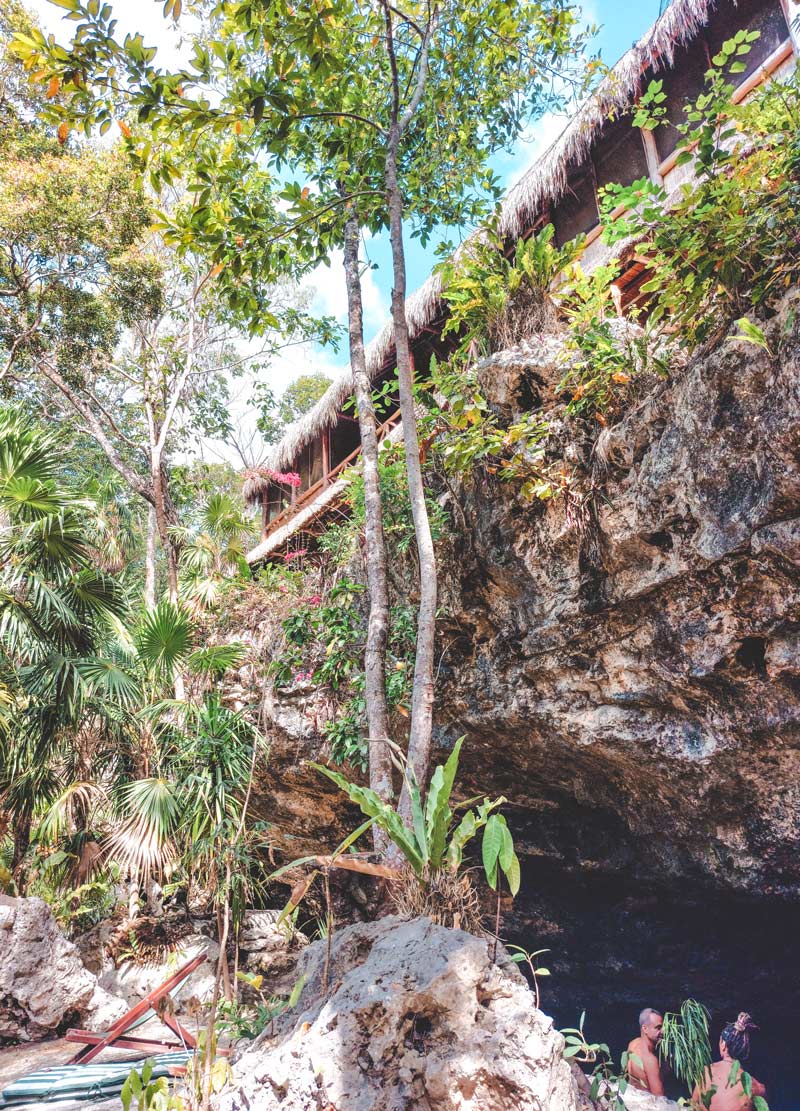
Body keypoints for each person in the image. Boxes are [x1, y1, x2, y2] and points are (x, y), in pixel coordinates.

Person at [692, 1013, 766, 1111]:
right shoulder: (758, 1088)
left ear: (723, 1045)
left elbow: (692, 1106)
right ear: (745, 1051)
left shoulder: (706, 1073)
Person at [627, 1008, 666, 1096]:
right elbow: (660, 1099)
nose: (663, 1031)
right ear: (645, 1028)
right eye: (658, 1027)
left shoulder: (632, 1044)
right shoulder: (650, 1060)